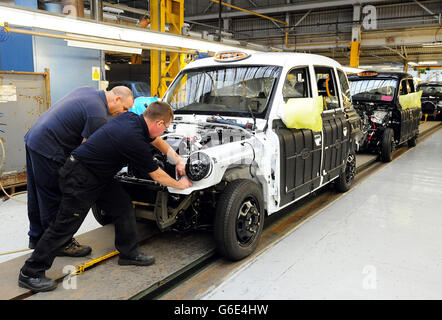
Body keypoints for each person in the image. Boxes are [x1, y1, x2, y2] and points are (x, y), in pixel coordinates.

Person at [18, 101, 192, 292]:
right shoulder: (132, 138)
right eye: (165, 127)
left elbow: (156, 141)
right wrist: (180, 185)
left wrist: (177, 159)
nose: (164, 131)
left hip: (98, 175)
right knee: (65, 225)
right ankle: (31, 272)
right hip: (80, 177)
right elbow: (157, 175)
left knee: (122, 205)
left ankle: (129, 253)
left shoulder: (133, 119)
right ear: (159, 123)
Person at [25, 86, 134, 256]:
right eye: (124, 109)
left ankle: (37, 238)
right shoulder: (97, 113)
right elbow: (87, 152)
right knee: (54, 196)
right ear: (117, 99)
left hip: (35, 138)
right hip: (49, 148)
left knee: (37, 193)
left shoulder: (89, 92)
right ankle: (60, 244)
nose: (122, 112)